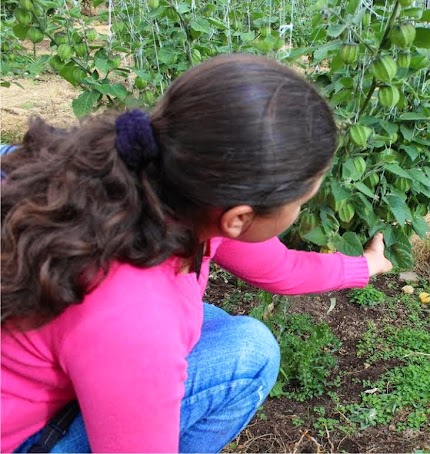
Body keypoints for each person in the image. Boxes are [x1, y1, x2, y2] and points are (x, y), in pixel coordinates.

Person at [1, 54, 393, 453]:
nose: (301, 210)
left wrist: (365, 265)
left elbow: (281, 267)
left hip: (48, 361)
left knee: (213, 327)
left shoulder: (143, 177)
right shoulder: (135, 314)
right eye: (301, 201)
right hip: (20, 436)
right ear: (239, 217)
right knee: (248, 353)